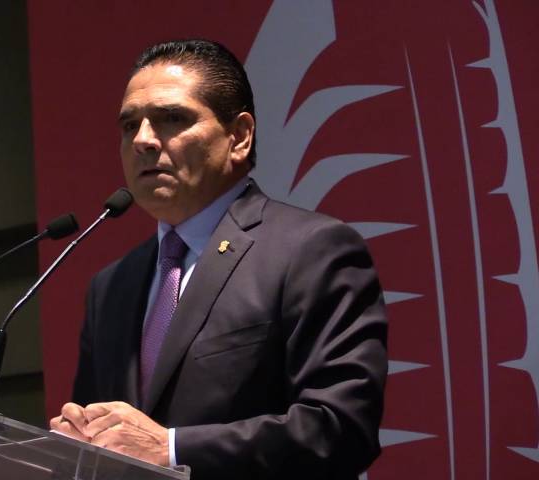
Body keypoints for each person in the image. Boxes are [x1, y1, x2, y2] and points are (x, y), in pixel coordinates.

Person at [50, 39, 388, 480]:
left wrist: (172, 449)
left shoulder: (310, 250)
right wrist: (77, 441)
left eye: (172, 118)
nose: (143, 140)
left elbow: (341, 428)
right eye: (130, 125)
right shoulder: (111, 286)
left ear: (239, 136)